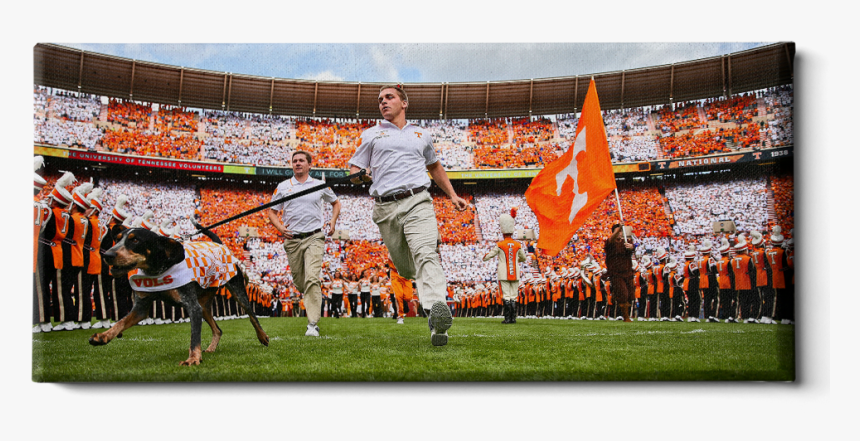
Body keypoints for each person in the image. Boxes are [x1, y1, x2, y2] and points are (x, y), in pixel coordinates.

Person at [348, 84, 468, 346]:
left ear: (404, 103)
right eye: (379, 99)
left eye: (389, 97)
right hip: (386, 208)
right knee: (405, 267)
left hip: (418, 200)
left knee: (426, 252)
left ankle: (437, 314)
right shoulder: (371, 135)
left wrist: (452, 194)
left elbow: (434, 166)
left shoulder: (421, 135)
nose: (383, 102)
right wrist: (360, 176)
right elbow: (354, 169)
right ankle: (432, 308)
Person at [267, 150, 341, 337]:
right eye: (294, 161)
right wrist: (280, 228)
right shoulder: (283, 187)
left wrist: (332, 222)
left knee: (312, 278)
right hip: (292, 240)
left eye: (301, 161)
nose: (297, 163)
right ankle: (310, 300)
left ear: (309, 165)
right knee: (301, 283)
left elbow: (336, 203)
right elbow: (272, 212)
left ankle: (312, 324)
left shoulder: (319, 185)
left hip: (314, 237)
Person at [482, 210, 527, 324]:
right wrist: (517, 260)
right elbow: (524, 258)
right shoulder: (518, 244)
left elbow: (489, 255)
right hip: (515, 272)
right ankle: (513, 318)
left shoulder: (500, 244)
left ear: (503, 233)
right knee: (513, 295)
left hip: (503, 272)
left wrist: (484, 257)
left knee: (506, 295)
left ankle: (507, 318)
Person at [604, 223, 635, 322]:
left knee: (631, 295)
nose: (620, 233)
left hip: (628, 271)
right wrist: (619, 228)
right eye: (618, 231)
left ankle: (615, 295)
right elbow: (611, 239)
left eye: (621, 231)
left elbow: (632, 250)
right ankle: (626, 317)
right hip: (616, 273)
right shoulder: (610, 243)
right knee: (623, 294)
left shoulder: (626, 241)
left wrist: (631, 247)